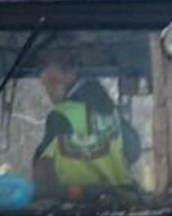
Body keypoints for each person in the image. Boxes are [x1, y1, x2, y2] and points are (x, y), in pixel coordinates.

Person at [32, 49, 141, 201]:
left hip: (79, 205)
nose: (48, 91)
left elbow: (42, 165)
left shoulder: (61, 115)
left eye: (53, 81)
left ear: (71, 75)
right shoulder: (111, 112)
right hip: (120, 200)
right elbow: (133, 151)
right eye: (46, 84)